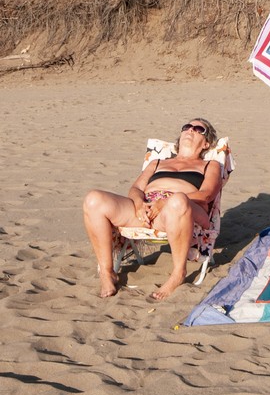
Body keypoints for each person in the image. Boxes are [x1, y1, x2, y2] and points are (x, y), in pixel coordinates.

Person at [83, 118, 222, 300]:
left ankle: (178, 273)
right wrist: (139, 204)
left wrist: (166, 201)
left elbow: (206, 195)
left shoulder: (209, 165)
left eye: (198, 129)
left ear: (206, 143)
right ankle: (107, 272)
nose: (190, 130)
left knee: (177, 200)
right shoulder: (157, 162)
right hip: (148, 210)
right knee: (94, 199)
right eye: (187, 127)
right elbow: (136, 189)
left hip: (183, 208)